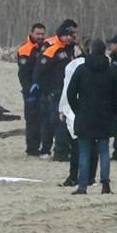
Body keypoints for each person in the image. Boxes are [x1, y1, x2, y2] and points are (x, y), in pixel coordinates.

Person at [67, 40, 117, 195]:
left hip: (85, 114)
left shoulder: (81, 69)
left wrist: (77, 108)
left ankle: (82, 185)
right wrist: (112, 112)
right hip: (104, 116)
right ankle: (105, 184)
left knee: (84, 150)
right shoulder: (111, 71)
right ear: (104, 52)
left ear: (90, 51)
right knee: (103, 150)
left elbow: (71, 93)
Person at [32, 25, 77, 161]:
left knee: (64, 121)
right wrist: (48, 90)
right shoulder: (52, 50)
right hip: (55, 92)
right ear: (61, 35)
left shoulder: (69, 49)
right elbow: (39, 72)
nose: (70, 38)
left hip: (66, 91)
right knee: (57, 122)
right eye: (68, 35)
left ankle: (63, 149)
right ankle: (58, 152)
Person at [58, 39, 98, 187]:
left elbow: (67, 89)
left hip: (75, 109)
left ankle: (74, 176)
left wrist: (62, 109)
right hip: (95, 109)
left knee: (76, 146)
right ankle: (91, 176)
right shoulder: (103, 64)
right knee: (93, 145)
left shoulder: (73, 66)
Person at [17, 23, 47, 156]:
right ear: (32, 33)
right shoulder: (25, 50)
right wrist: (29, 91)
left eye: (42, 34)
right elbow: (23, 75)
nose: (40, 36)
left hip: (44, 89)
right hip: (30, 90)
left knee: (44, 119)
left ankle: (42, 146)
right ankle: (32, 148)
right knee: (32, 120)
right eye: (38, 34)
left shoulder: (46, 47)